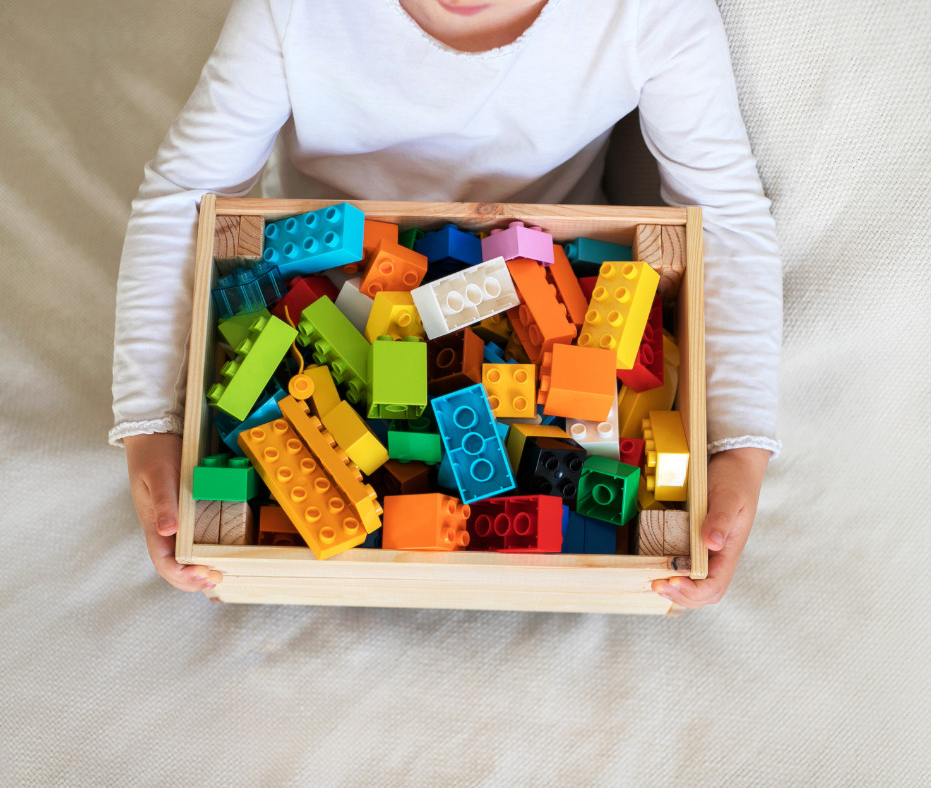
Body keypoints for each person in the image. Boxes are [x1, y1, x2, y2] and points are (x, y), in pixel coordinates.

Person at [112, 0, 782, 607]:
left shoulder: (652, 13)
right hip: (339, 270)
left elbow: (723, 216)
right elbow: (187, 198)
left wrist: (739, 449)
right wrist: (151, 424)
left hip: (545, 265)